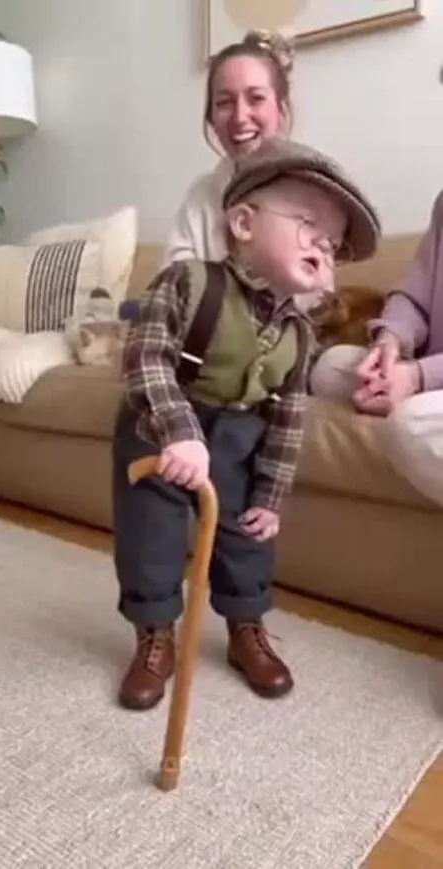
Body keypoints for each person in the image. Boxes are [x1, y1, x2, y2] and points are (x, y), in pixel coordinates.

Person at [112, 137, 380, 712]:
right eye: (308, 223)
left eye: (332, 242)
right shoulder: (188, 283)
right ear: (243, 223)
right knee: (151, 536)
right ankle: (155, 634)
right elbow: (143, 357)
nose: (322, 245)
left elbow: (286, 422)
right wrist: (179, 430)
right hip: (159, 426)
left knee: (246, 535)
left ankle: (246, 628)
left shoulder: (300, 335)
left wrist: (271, 497)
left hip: (237, 437)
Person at [309, 190, 443, 507]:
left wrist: (417, 377)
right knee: (331, 368)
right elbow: (413, 294)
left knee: (412, 424)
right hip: (429, 376)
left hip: (428, 380)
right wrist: (389, 342)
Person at [163, 29, 294, 267]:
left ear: (281, 112)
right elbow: (171, 288)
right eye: (224, 103)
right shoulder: (200, 198)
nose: (240, 117)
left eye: (256, 98)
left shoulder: (314, 192)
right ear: (211, 118)